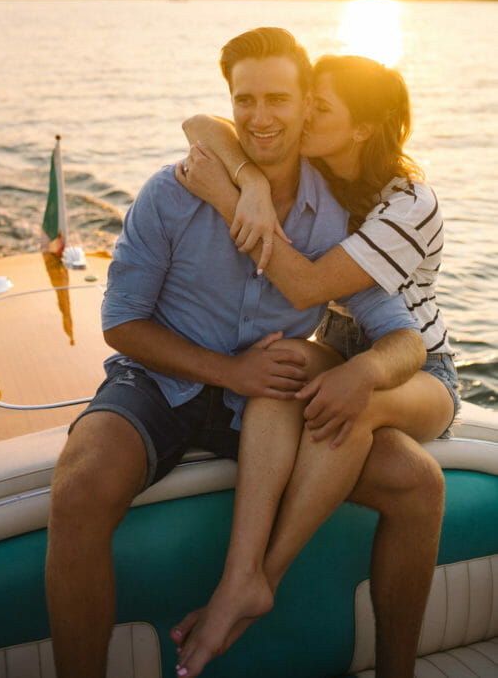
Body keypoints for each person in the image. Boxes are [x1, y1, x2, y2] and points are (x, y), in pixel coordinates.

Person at [45, 28, 435, 678]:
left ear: (308, 103)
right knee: (77, 490)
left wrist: (366, 373)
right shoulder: (171, 192)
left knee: (419, 481)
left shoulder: (336, 221)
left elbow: (404, 339)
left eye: (278, 98)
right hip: (157, 383)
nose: (260, 117)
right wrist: (231, 371)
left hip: (263, 409)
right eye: (244, 100)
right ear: (229, 102)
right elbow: (120, 324)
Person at [171, 51, 459, 678]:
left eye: (319, 108)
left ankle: (254, 584)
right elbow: (200, 124)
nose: (299, 117)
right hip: (336, 347)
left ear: (361, 127)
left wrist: (225, 194)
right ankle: (244, 576)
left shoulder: (410, 203)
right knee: (273, 364)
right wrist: (248, 179)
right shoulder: (317, 174)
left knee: (350, 404)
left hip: (417, 368)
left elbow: (303, 287)